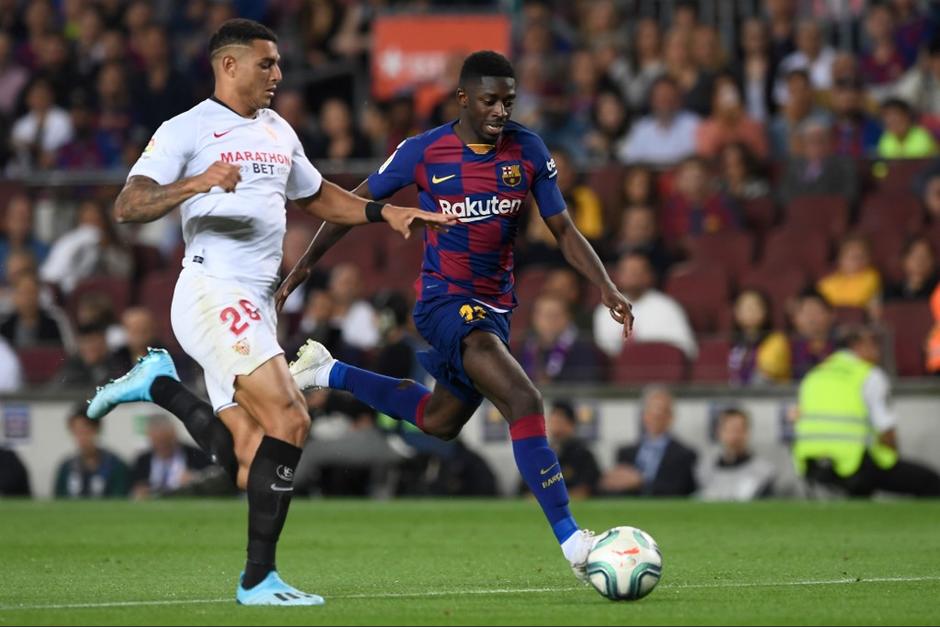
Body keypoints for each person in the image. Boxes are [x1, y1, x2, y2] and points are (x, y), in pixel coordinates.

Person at [84, 19, 450, 606]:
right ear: (229, 66)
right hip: (211, 292)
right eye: (267, 64)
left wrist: (387, 214)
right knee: (292, 418)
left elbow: (320, 195)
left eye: (278, 64)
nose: (279, 74)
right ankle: (258, 580)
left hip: (256, 303)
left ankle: (161, 386)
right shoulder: (187, 129)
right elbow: (129, 204)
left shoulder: (278, 130)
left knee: (247, 458)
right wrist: (196, 182)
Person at [275, 51, 634, 583]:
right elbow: (350, 205)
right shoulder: (423, 151)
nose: (500, 110)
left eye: (508, 100)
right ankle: (574, 542)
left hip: (495, 308)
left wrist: (604, 285)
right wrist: (304, 266)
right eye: (489, 100)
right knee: (524, 399)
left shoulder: (529, 149)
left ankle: (329, 372)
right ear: (463, 98)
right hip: (445, 301)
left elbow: (563, 230)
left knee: (439, 422)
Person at [794, 325, 940, 496]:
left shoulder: (813, 375)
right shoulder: (869, 375)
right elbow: (886, 429)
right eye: (873, 344)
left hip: (812, 466)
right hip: (854, 466)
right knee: (930, 482)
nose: (877, 351)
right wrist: (891, 460)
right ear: (857, 346)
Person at [599, 385, 697, 497]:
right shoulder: (625, 453)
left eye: (661, 412)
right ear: (644, 415)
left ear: (671, 417)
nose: (656, 417)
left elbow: (680, 489)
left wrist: (641, 481)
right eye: (651, 411)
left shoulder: (684, 454)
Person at [697, 408, 775, 501]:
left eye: (739, 430)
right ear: (719, 432)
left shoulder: (764, 472)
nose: (735, 436)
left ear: (747, 432)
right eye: (729, 430)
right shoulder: (704, 470)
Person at [53, 406, 130, 499]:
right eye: (76, 431)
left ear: (96, 430)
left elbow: (120, 499)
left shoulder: (116, 466)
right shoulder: (66, 467)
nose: (81, 437)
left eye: (85, 431)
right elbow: (58, 500)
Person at [130, 414, 212, 499]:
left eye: (166, 440)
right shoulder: (142, 461)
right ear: (151, 439)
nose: (162, 446)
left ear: (174, 435)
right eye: (158, 441)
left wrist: (195, 479)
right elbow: (135, 489)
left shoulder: (197, 456)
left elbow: (211, 479)